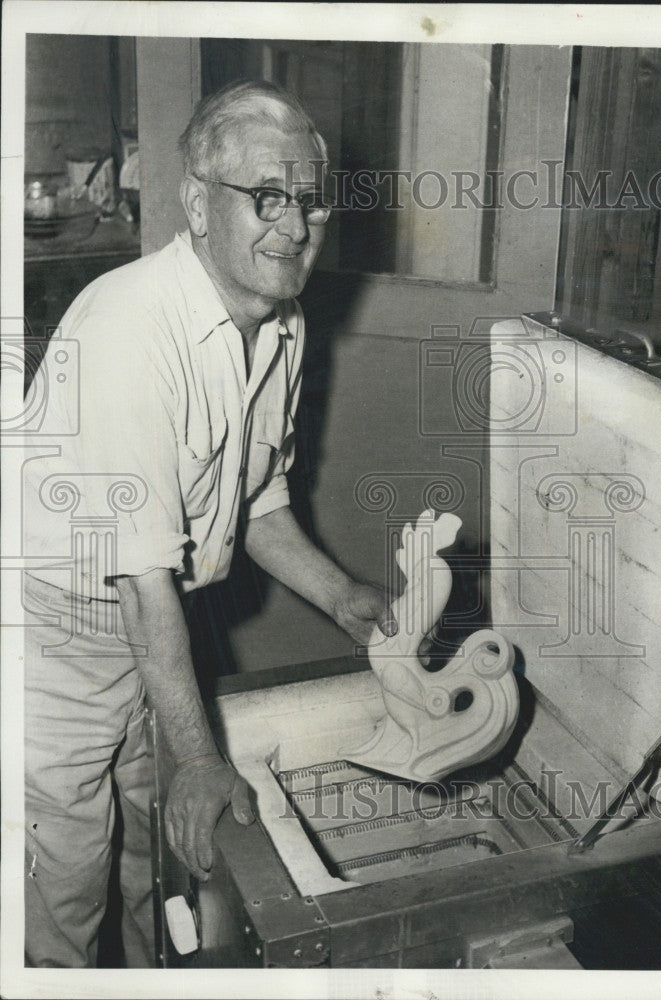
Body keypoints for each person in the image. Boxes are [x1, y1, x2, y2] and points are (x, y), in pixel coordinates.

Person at [22, 79, 396, 968]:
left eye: (310, 200)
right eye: (267, 197)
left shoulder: (284, 323)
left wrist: (345, 598)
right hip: (51, 634)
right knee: (62, 883)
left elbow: (255, 502)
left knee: (161, 864)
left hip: (151, 630)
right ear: (197, 204)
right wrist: (198, 759)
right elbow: (143, 583)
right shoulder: (127, 328)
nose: (295, 227)